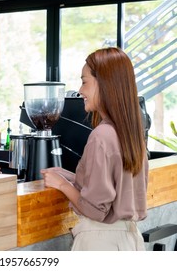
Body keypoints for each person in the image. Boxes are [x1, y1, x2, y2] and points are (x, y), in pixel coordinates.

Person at [42, 47, 148, 251]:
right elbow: (115, 187)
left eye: (84, 81)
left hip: (100, 243)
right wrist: (69, 177)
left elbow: (95, 209)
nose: (80, 91)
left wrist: (63, 185)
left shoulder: (101, 135)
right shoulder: (132, 134)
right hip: (129, 241)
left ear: (105, 84)